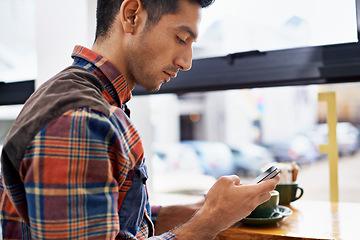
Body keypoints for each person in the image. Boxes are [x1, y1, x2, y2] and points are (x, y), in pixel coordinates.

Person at [0, 0, 280, 239]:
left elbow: (115, 219)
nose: (187, 61)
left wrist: (201, 208)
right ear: (132, 15)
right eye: (181, 38)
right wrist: (210, 220)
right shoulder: (80, 119)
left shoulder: (84, 98)